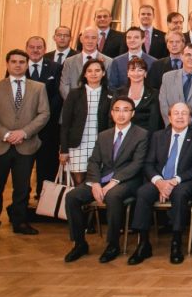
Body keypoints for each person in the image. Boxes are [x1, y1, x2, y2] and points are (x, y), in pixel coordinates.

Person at [63, 96, 149, 263]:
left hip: (128, 180)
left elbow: (137, 164)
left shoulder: (141, 134)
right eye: (117, 110)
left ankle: (113, 244)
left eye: (126, 110)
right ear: (112, 113)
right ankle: (79, 243)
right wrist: (95, 183)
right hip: (102, 179)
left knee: (113, 195)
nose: (121, 114)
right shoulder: (104, 135)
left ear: (132, 113)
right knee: (72, 196)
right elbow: (94, 161)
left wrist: (113, 182)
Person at [0, 48, 50, 242]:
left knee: (22, 188)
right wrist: (6, 134)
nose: (18, 65)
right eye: (14, 62)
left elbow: (44, 114)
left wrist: (24, 132)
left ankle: (20, 222)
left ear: (27, 65)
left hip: (26, 145)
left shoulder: (38, 87)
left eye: (21, 62)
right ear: (7, 64)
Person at [127, 102, 192, 266]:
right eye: (176, 113)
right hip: (159, 179)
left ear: (190, 118)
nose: (180, 117)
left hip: (182, 181)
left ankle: (176, 243)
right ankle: (143, 243)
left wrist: (175, 180)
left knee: (180, 194)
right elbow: (148, 164)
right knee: (143, 193)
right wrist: (159, 182)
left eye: (184, 113)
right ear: (169, 117)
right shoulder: (157, 136)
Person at [59, 59, 114, 185]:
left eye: (97, 70)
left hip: (100, 143)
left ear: (103, 73)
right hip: (78, 144)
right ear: (84, 74)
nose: (93, 74)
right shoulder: (74, 94)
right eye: (89, 71)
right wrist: (64, 150)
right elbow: (65, 124)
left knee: (97, 180)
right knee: (78, 181)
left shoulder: (110, 95)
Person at [24, 35, 62, 201]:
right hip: (24, 127)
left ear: (45, 50)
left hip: (48, 127)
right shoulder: (19, 65)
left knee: (47, 167)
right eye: (32, 47)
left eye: (39, 47)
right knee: (23, 168)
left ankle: (44, 200)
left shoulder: (55, 67)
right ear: (27, 49)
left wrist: (43, 115)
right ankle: (23, 202)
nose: (35, 50)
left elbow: (58, 96)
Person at [60, 26, 113, 98]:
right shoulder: (69, 62)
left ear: (98, 40)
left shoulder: (109, 62)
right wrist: (74, 102)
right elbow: (64, 86)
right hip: (74, 103)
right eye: (86, 37)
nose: (90, 41)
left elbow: (110, 86)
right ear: (81, 39)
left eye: (93, 38)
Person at [116, 57, 161, 133]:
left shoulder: (154, 94)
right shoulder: (119, 93)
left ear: (145, 73)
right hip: (122, 134)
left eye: (140, 70)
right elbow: (112, 117)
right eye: (132, 70)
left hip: (145, 135)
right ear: (128, 73)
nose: (136, 73)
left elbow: (154, 121)